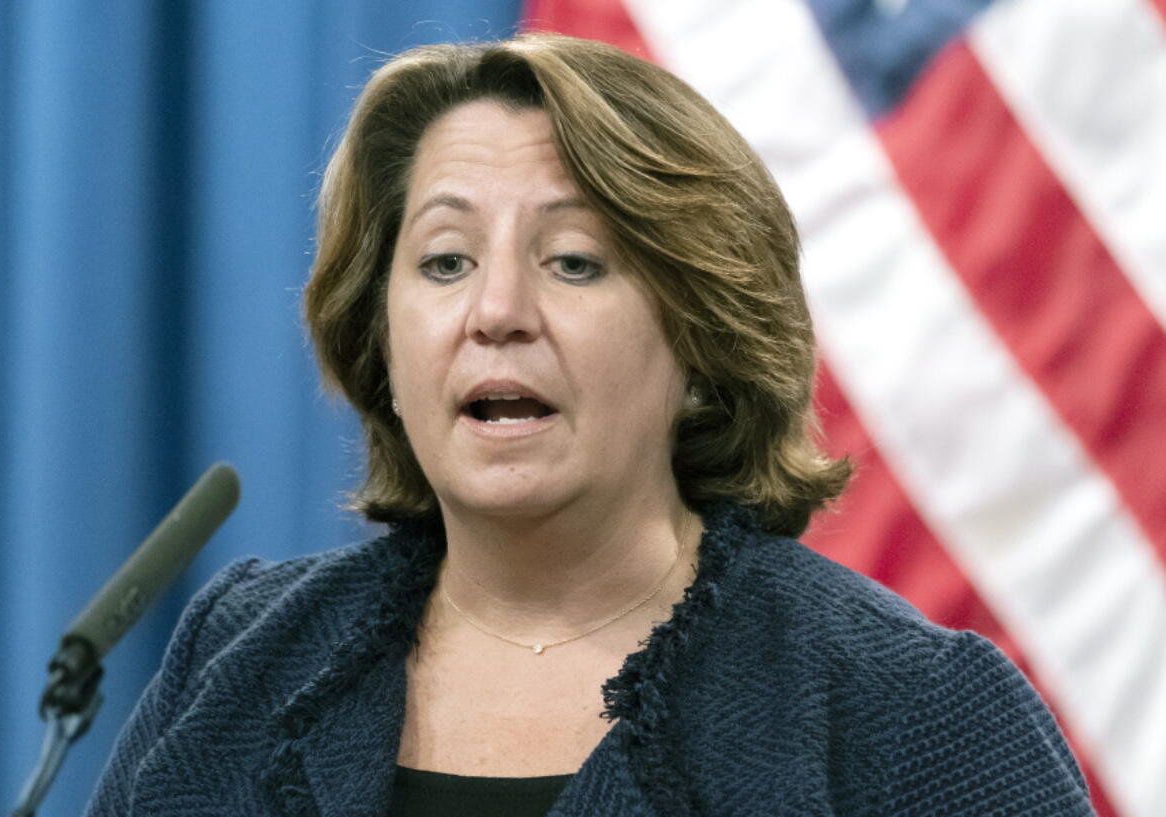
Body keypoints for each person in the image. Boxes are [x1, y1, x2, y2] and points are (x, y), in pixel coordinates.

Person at [85, 33, 1096, 817]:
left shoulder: (911, 708)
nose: (496, 310)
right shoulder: (244, 654)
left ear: (698, 339)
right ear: (380, 337)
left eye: (572, 260)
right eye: (445, 261)